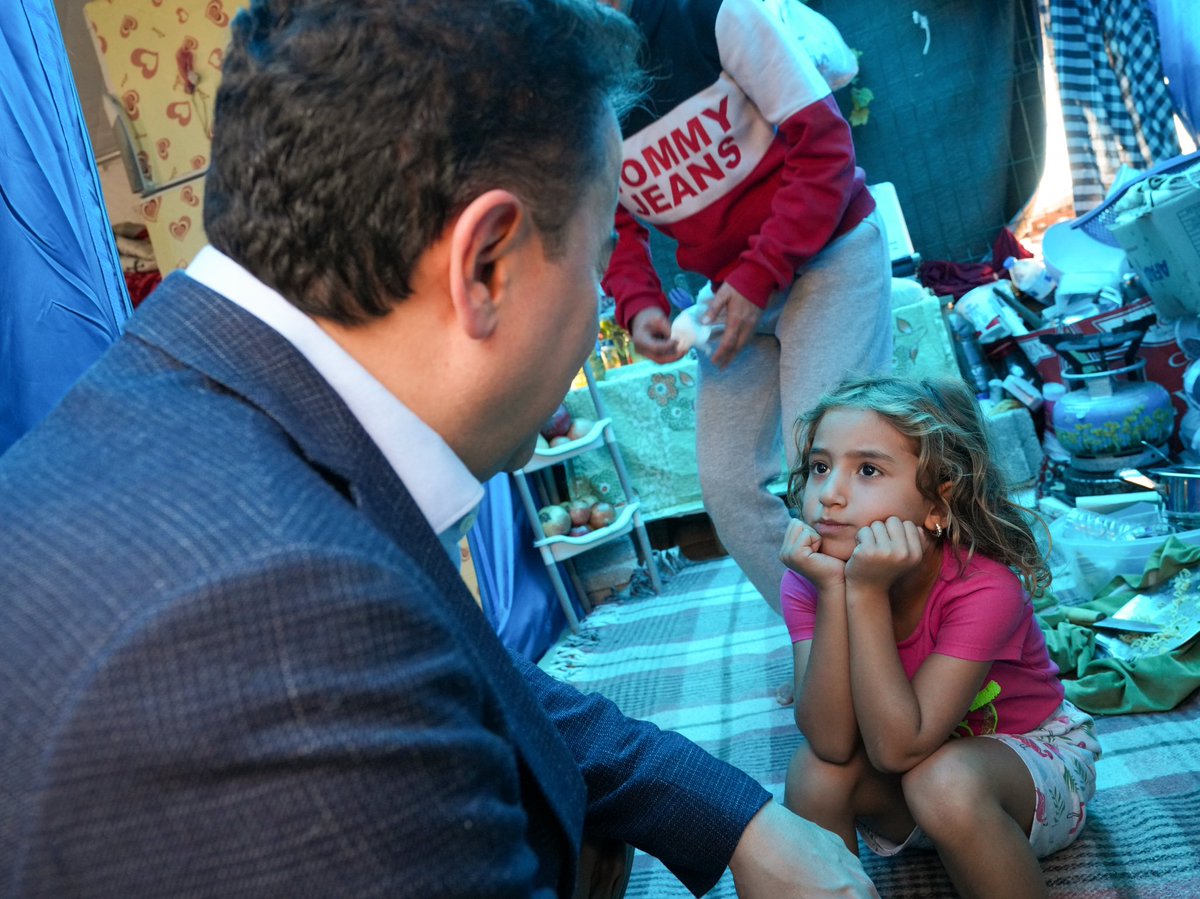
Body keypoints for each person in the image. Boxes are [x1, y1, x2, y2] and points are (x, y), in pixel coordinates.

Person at [0, 1, 878, 897]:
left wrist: (731, 815)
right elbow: (364, 670)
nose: (591, 322)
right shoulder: (293, 631)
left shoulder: (187, 398)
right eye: (602, 244)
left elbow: (455, 670)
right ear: (487, 266)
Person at [598, 0, 893, 614]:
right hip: (734, 292)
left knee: (826, 462)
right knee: (729, 487)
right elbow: (612, 223)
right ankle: (823, 640)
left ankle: (900, 635)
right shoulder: (575, 75)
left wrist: (757, 276)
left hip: (829, 255)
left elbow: (826, 151)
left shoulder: (716, 13)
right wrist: (639, 306)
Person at [778, 375, 1101, 898]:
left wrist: (864, 593)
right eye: (820, 466)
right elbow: (832, 742)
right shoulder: (810, 579)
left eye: (867, 470)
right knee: (813, 773)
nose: (829, 495)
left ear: (938, 504)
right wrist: (835, 592)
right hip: (911, 783)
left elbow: (898, 751)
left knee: (942, 779)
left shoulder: (984, 587)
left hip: (1030, 772)